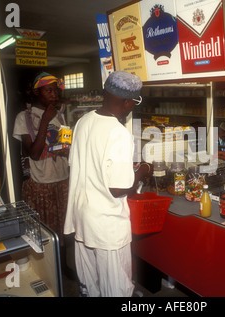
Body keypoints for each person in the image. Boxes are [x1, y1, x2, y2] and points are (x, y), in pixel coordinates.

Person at [64, 71, 152, 297]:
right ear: (128, 102)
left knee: (91, 285)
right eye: (135, 101)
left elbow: (84, 165)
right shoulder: (119, 132)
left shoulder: (83, 121)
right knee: (115, 288)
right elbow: (118, 188)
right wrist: (143, 170)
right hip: (107, 227)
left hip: (83, 217)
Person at [13, 72, 69, 243]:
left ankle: (63, 265)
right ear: (37, 92)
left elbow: (66, 147)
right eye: (49, 91)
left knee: (64, 230)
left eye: (55, 91)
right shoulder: (25, 117)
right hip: (40, 184)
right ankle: (50, 267)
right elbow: (34, 154)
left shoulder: (59, 115)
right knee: (45, 232)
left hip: (63, 180)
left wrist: (66, 148)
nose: (54, 95)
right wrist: (45, 120)